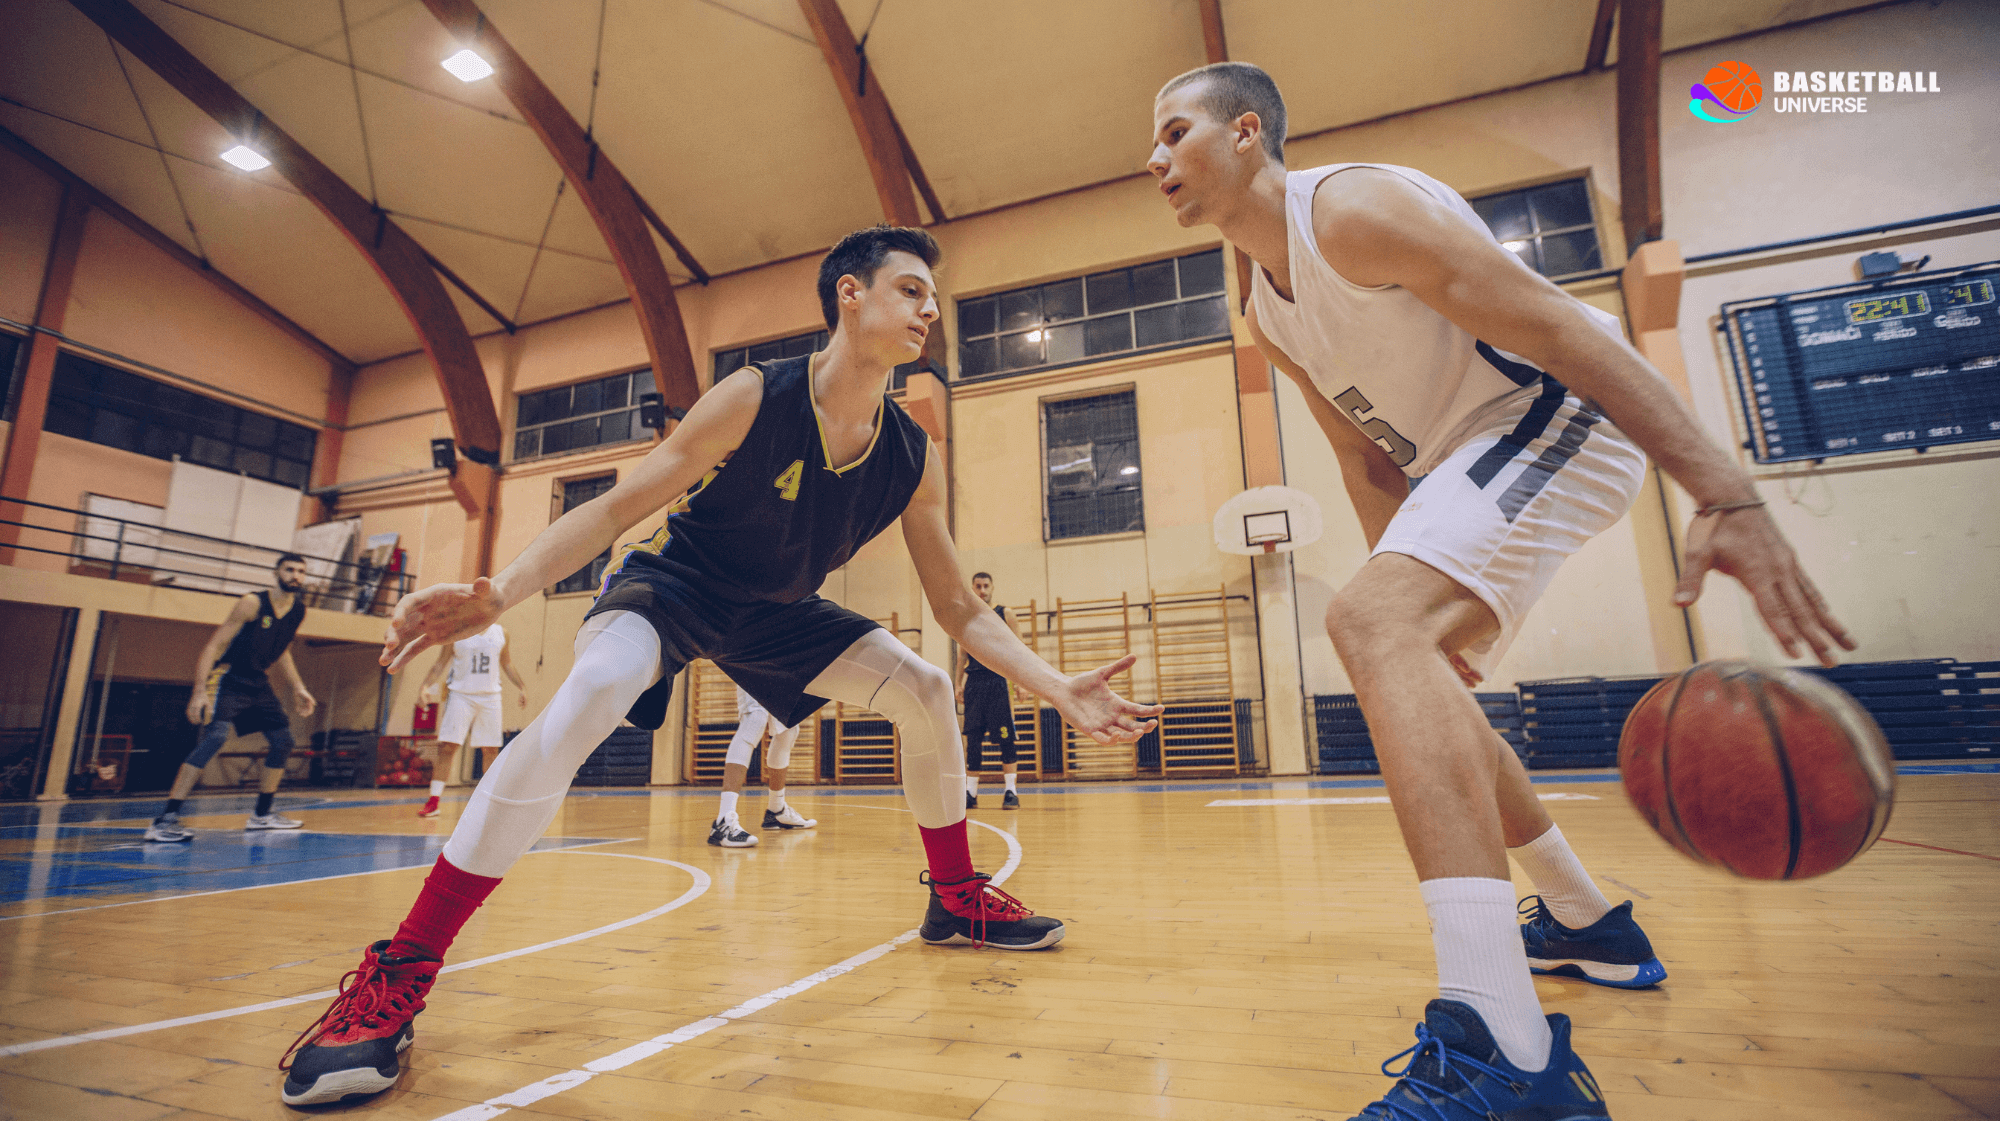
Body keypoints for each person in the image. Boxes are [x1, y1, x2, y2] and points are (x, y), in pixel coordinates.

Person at [277, 225, 1162, 1106]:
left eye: (934, 296)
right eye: (909, 289)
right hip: (675, 588)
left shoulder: (910, 453)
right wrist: (500, 591)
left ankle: (957, 897)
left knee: (927, 690)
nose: (929, 308)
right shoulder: (754, 396)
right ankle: (396, 979)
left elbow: (959, 608)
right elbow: (622, 502)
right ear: (849, 294)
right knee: (587, 695)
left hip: (777, 613)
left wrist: (1055, 685)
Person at [1147, 62, 1854, 1118]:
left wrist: (1723, 491)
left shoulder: (1353, 211)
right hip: (1464, 453)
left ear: (1246, 132)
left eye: (1172, 132)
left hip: (1561, 412)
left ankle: (1509, 1052)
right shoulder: (1263, 304)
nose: (1152, 159)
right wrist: (1410, 621)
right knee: (1392, 641)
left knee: (1373, 622)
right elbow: (1365, 461)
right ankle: (1580, 916)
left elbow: (1562, 329)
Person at [145, 554, 318, 842]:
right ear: (276, 572)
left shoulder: (298, 610)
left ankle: (262, 815)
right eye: (289, 569)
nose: (295, 575)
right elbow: (214, 646)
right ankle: (165, 819)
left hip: (257, 682)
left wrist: (299, 687)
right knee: (215, 738)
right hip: (228, 676)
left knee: (283, 740)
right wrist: (199, 691)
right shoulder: (252, 603)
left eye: (301, 571)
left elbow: (282, 650)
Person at [414, 622, 527, 818]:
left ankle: (488, 801)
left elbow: (507, 663)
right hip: (461, 695)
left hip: (490, 697)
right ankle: (433, 801)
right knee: (447, 747)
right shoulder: (456, 630)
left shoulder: (502, 633)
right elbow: (441, 662)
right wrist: (425, 686)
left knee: (490, 750)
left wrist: (521, 687)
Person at [709, 685, 818, 847]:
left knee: (788, 728)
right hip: (748, 660)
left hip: (778, 665)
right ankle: (723, 822)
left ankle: (776, 810)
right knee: (755, 719)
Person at [956, 572, 1025, 810]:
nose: (982, 590)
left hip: (998, 682)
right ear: (972, 588)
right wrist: (958, 683)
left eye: (986, 586)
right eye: (978, 586)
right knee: (973, 740)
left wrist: (1021, 683)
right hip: (974, 684)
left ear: (992, 587)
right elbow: (962, 655)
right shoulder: (966, 617)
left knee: (1006, 739)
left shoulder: (1005, 614)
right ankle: (971, 793)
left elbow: (1020, 650)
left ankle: (1010, 791)